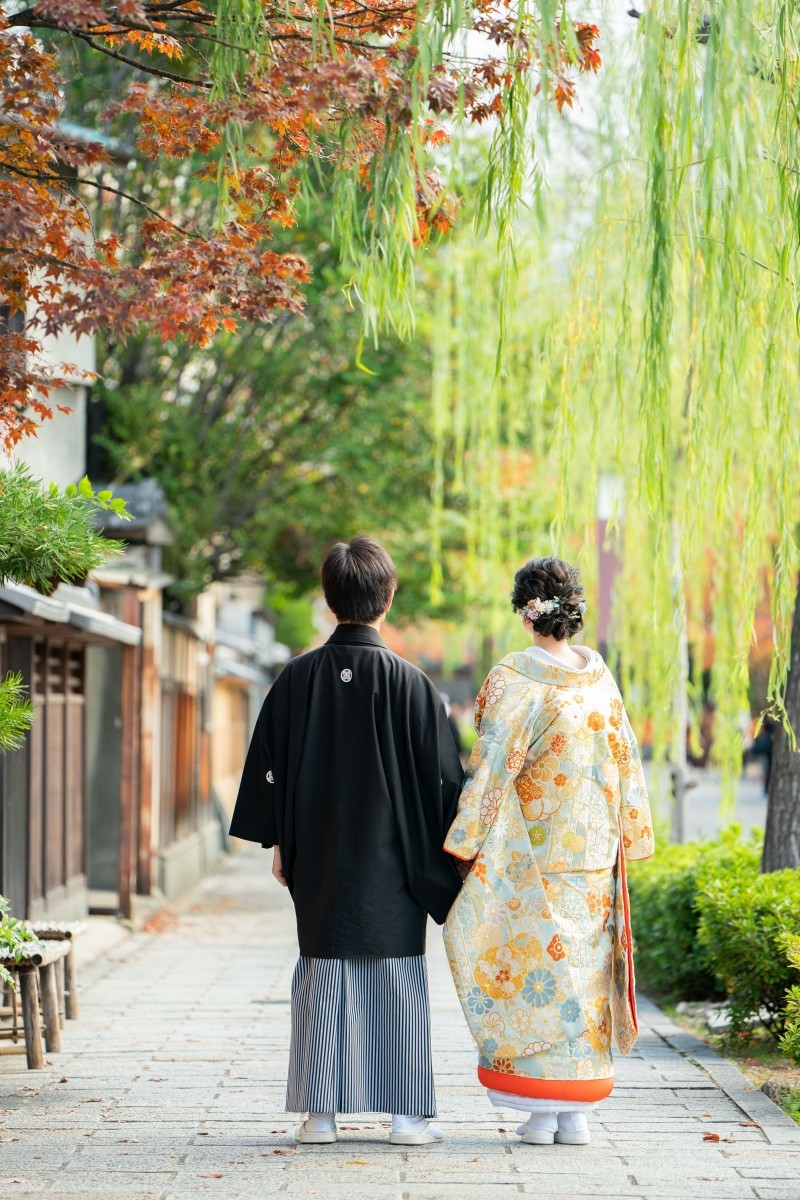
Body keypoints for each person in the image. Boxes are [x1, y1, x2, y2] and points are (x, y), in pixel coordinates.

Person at [229, 537, 463, 1146]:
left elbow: (268, 767)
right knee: (397, 977)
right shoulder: (415, 686)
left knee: (323, 972)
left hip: (321, 852)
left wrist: (280, 840)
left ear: (331, 599)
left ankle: (320, 1115)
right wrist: (450, 853)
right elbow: (446, 779)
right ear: (388, 598)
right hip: (399, 855)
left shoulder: (297, 678)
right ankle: (406, 1118)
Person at [443, 556, 654, 1146]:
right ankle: (577, 1113)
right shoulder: (599, 676)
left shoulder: (515, 677)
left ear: (525, 612)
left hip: (532, 856)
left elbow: (490, 767)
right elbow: (625, 759)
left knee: (541, 972)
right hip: (593, 857)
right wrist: (629, 830)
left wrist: (465, 841)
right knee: (584, 980)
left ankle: (541, 1111)